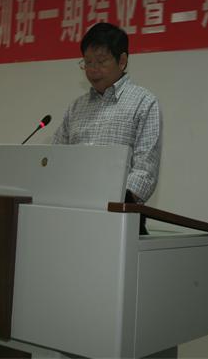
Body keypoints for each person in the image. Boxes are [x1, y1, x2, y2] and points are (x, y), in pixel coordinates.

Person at [52, 22, 162, 233]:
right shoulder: (76, 107)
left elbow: (145, 171)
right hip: (72, 215)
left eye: (101, 61)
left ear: (122, 61)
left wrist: (112, 198)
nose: (93, 69)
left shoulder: (144, 102)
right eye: (87, 62)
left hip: (120, 219)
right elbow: (56, 158)